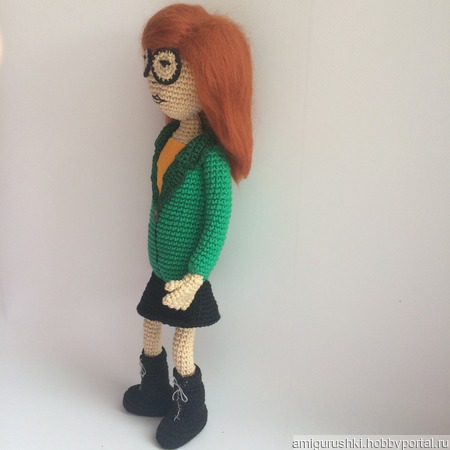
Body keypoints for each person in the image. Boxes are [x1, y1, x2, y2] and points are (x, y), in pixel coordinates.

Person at [123, 4, 253, 448]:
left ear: (209, 79)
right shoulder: (166, 138)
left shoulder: (210, 157)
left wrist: (196, 275)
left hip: (185, 277)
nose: (154, 84)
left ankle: (189, 406)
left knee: (183, 344)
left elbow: (217, 222)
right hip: (161, 266)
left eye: (166, 68)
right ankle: (154, 390)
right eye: (152, 66)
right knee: (149, 325)